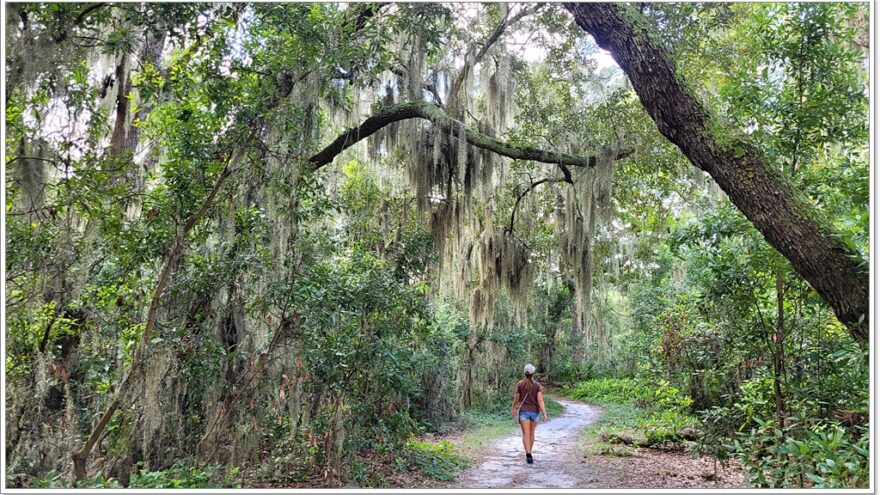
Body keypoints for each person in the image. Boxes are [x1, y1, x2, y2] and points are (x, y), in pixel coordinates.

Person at [511, 363, 547, 464]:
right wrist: (544, 413)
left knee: (525, 434)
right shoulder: (537, 385)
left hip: (523, 413)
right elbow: (540, 401)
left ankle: (528, 454)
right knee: (531, 434)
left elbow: (517, 399)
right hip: (535, 413)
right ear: (533, 373)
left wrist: (513, 407)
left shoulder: (520, 384)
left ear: (524, 373)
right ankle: (530, 452)